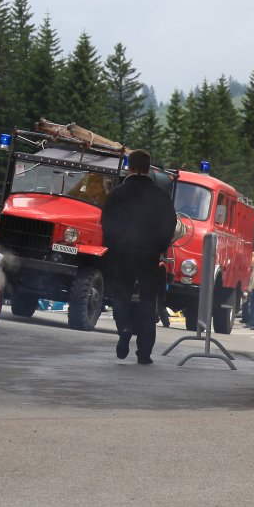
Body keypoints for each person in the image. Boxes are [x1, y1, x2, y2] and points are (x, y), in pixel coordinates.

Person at [101, 149, 177, 364]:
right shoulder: (161, 195)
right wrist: (159, 247)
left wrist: (113, 245)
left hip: (122, 253)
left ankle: (124, 328)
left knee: (120, 296)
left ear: (129, 167)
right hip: (149, 255)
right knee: (148, 301)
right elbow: (170, 224)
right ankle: (144, 352)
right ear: (148, 168)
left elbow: (106, 222)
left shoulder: (117, 193)